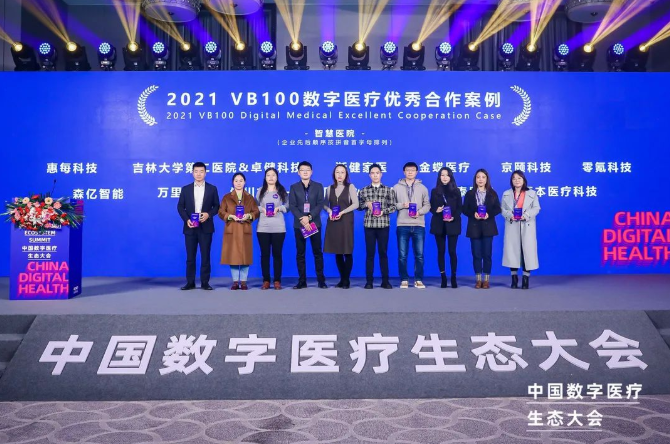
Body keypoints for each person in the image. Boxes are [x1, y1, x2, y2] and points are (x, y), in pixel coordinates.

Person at [177, 162, 220, 291]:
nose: (199, 174)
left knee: (205, 256)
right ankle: (190, 282)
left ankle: (205, 282)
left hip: (206, 227)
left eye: (201, 171)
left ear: (205, 173)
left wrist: (208, 214)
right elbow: (180, 207)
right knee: (190, 257)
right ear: (192, 173)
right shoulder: (186, 189)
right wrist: (187, 220)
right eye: (196, 171)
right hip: (190, 227)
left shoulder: (212, 189)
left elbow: (217, 206)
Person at [288, 161, 327, 289]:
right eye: (302, 170)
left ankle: (321, 281)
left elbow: (320, 204)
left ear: (311, 172)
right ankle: (302, 281)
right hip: (299, 225)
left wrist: (309, 217)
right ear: (298, 173)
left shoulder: (318, 186)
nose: (305, 172)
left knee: (317, 252)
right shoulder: (293, 187)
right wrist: (302, 219)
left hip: (314, 223)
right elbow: (292, 205)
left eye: (307, 169)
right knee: (300, 254)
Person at [392, 162, 431, 289]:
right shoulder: (396, 187)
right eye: (408, 170)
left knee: (419, 255)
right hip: (402, 224)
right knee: (402, 255)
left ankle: (418, 279)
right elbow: (391, 205)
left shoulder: (423, 188)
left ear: (416, 172)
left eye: (413, 170)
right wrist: (402, 205)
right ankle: (404, 279)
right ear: (404, 172)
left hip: (419, 225)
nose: (410, 172)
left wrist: (419, 212)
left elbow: (427, 205)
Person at [358, 163, 397, 289]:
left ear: (381, 174)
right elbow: (359, 206)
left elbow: (393, 207)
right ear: (369, 175)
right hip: (369, 225)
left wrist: (383, 211)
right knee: (370, 254)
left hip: (383, 225)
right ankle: (369, 282)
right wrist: (366, 204)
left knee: (383, 253)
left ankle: (385, 281)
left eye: (377, 173)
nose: (375, 175)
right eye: (372, 173)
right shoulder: (363, 190)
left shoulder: (388, 190)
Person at [218, 173, 259, 290]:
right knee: (233, 256)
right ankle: (235, 282)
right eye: (236, 180)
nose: (239, 183)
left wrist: (248, 215)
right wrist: (230, 216)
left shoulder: (250, 197)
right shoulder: (227, 197)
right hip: (232, 228)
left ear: (245, 182)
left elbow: (256, 212)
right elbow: (221, 212)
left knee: (245, 256)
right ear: (233, 182)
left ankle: (244, 282)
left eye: (241, 180)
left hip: (245, 228)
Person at [462, 169, 501, 289]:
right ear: (475, 179)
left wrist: (489, 214)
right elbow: (464, 209)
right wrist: (473, 214)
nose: (480, 179)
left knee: (487, 254)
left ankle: (486, 280)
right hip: (474, 227)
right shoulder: (469, 194)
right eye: (478, 177)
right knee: (476, 254)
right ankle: (478, 280)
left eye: (483, 177)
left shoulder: (492, 193)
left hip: (488, 227)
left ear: (487, 179)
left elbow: (498, 209)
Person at [501, 170, 540, 289]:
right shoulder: (506, 194)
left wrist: (526, 215)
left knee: (526, 253)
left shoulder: (532, 193)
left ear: (523, 180)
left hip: (526, 225)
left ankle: (525, 279)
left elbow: (536, 208)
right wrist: (509, 215)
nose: (517, 180)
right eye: (514, 178)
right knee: (512, 252)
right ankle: (514, 278)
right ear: (511, 181)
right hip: (512, 225)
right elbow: (502, 209)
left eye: (519, 178)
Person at [323, 164, 359, 289]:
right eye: (337, 172)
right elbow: (324, 204)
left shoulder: (350, 187)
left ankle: (346, 280)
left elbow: (356, 204)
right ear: (334, 174)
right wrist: (329, 211)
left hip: (346, 222)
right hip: (334, 222)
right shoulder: (329, 188)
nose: (339, 175)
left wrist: (342, 212)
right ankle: (342, 279)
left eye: (342, 172)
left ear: (346, 174)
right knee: (337, 251)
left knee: (347, 251)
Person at [256, 167, 289, 290]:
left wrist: (279, 208)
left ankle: (277, 280)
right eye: (268, 175)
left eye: (273, 175)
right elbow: (254, 206)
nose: (271, 177)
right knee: (265, 255)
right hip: (263, 228)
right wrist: (262, 209)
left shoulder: (281, 190)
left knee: (277, 254)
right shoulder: (260, 191)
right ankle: (266, 280)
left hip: (278, 227)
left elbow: (288, 206)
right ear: (265, 177)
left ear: (277, 177)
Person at [429, 167, 462, 289]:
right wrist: (436, 210)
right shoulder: (434, 191)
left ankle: (453, 277)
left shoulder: (456, 191)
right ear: (439, 177)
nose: (444, 177)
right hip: (439, 223)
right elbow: (431, 207)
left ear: (451, 177)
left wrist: (453, 217)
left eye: (447, 175)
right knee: (441, 251)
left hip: (453, 223)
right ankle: (443, 277)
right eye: (442, 175)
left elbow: (460, 208)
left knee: (452, 251)